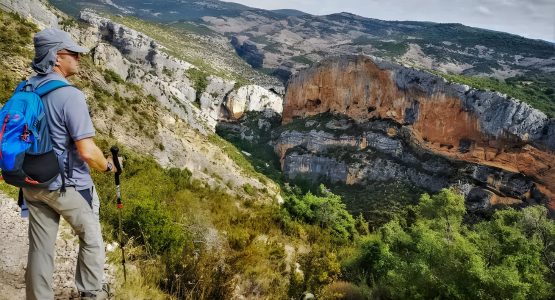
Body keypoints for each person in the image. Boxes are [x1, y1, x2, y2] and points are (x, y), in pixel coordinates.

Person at [22, 28, 117, 300]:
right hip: (68, 185)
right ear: (56, 58)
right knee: (91, 238)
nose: (79, 58)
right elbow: (87, 151)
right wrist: (108, 167)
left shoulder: (27, 87)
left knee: (40, 247)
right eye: (73, 54)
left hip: (31, 181)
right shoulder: (70, 95)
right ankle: (91, 293)